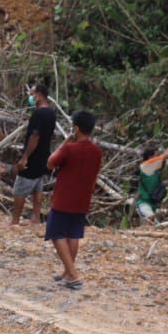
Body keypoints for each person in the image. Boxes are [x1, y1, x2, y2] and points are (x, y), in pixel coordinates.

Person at [46, 110, 103, 290]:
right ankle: (67, 272)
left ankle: (73, 275)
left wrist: (64, 142)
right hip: (83, 198)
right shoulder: (96, 151)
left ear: (76, 128)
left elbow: (50, 162)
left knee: (55, 233)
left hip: (64, 197)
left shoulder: (70, 148)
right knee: (73, 234)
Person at [10, 84, 57, 226]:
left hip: (34, 156)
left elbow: (34, 136)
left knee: (20, 188)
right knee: (38, 186)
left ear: (39, 95)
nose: (30, 97)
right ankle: (35, 217)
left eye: (32, 94)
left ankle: (15, 220)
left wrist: (25, 157)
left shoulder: (39, 114)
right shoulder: (51, 112)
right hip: (44, 155)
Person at [136, 129, 168, 223]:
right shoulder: (146, 165)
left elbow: (156, 185)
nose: (157, 157)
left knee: (155, 223)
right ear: (150, 157)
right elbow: (167, 155)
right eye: (155, 156)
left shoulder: (153, 171)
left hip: (153, 204)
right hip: (144, 203)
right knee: (151, 218)